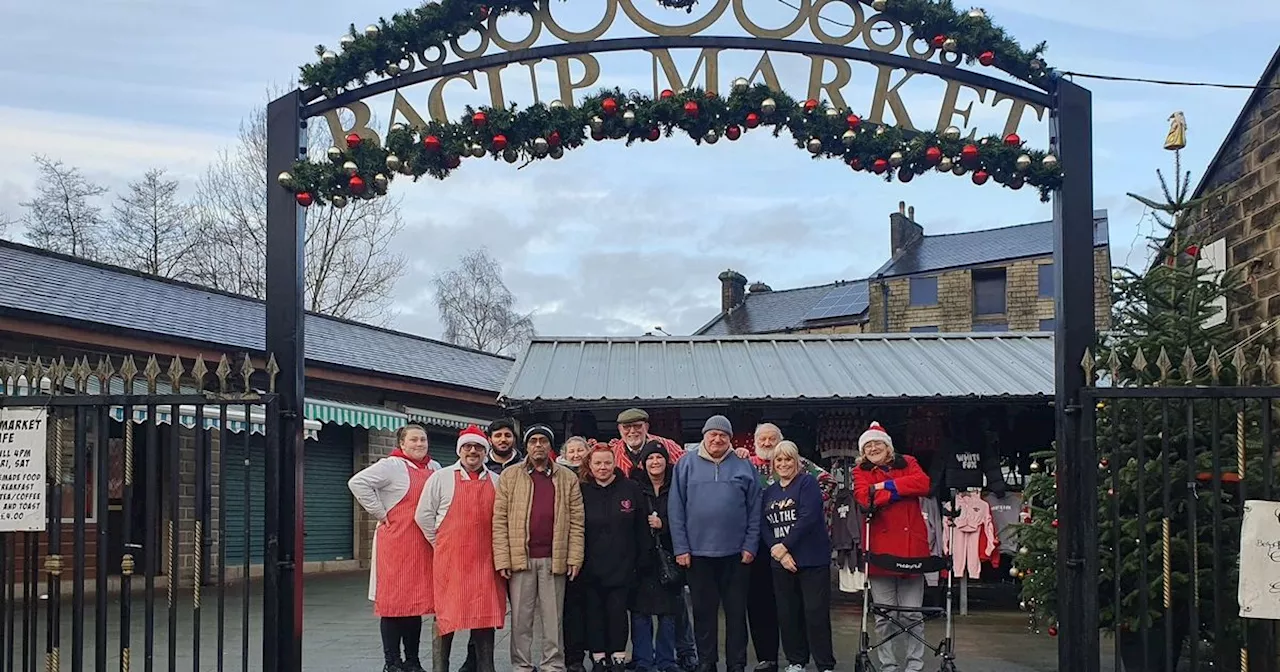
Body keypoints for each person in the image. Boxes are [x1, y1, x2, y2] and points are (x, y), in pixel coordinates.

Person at [669, 415, 762, 672]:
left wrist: (750, 546)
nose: (717, 439)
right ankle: (707, 662)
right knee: (703, 614)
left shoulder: (744, 466)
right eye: (713, 434)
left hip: (736, 554)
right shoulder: (685, 464)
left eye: (723, 435)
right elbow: (676, 509)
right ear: (704, 435)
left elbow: (755, 509)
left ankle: (737, 664)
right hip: (697, 554)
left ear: (730, 439)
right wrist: (681, 548)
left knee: (736, 614)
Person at [347, 424, 441, 672]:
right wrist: (379, 512)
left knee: (415, 604)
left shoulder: (435, 468)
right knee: (392, 604)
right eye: (414, 440)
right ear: (402, 444)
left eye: (423, 439)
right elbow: (358, 482)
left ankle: (413, 660)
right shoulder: (392, 466)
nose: (419, 444)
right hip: (396, 543)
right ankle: (392, 662)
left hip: (422, 544)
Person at [493, 424, 585, 672]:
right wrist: (502, 559)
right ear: (526, 445)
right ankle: (521, 665)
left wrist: (574, 557)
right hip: (520, 558)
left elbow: (577, 521)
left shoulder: (567, 477)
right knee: (521, 619)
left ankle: (552, 664)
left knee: (553, 619)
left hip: (554, 558)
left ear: (551, 446)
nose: (538, 445)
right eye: (533, 441)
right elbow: (499, 519)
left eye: (543, 441)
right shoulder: (510, 476)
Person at [745, 424, 837, 672]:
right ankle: (790, 660)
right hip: (773, 554)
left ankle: (824, 664)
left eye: (771, 439)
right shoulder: (758, 476)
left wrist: (784, 546)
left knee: (814, 613)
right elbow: (762, 519)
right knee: (784, 612)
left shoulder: (806, 479)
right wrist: (778, 549)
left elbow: (813, 509)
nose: (783, 463)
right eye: (762, 439)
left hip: (806, 553)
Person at [416, 426, 506, 672]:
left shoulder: (498, 481)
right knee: (446, 617)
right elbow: (423, 515)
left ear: (486, 451)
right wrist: (441, 543)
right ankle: (439, 668)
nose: (473, 451)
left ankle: (486, 667)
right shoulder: (440, 478)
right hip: (451, 562)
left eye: (478, 447)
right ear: (460, 450)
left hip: (486, 562)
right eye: (468, 447)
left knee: (484, 617)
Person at [852, 422, 932, 672]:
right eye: (868, 445)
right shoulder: (860, 472)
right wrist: (901, 490)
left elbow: (924, 484)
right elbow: (865, 499)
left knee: (911, 614)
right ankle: (888, 665)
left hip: (912, 549)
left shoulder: (908, 461)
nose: (873, 448)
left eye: (877, 443)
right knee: (884, 616)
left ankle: (914, 666)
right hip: (881, 551)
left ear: (888, 446)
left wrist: (885, 487)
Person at [579, 443, 648, 671]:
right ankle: (599, 658)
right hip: (590, 566)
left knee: (618, 613)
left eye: (607, 462)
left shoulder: (630, 488)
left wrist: (641, 562)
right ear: (590, 465)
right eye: (597, 463)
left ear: (614, 463)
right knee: (594, 614)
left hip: (623, 566)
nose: (603, 467)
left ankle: (618, 656)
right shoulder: (582, 490)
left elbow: (641, 529)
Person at [630, 440, 684, 672]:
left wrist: (664, 524)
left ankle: (666, 659)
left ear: (666, 460)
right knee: (640, 611)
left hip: (669, 555)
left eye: (659, 457)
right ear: (644, 463)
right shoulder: (634, 486)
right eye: (650, 458)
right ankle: (643, 659)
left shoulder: (677, 485)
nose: (655, 462)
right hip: (641, 556)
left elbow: (685, 516)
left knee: (669, 612)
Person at [558, 436, 591, 672]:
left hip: (595, 550)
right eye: (572, 450)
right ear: (564, 453)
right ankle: (573, 657)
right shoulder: (557, 476)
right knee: (570, 608)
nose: (577, 454)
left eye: (581, 450)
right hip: (566, 550)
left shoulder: (594, 475)